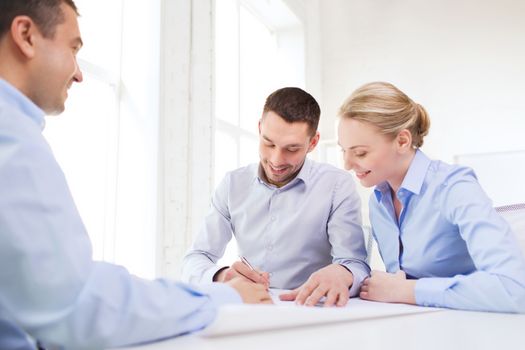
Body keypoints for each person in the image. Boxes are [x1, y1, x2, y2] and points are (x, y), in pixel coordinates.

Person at [0, 1, 271, 349]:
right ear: (25, 36)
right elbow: (77, 305)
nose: (79, 73)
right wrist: (222, 296)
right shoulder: (12, 139)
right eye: (73, 48)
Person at [337, 81, 525, 313]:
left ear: (403, 141)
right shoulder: (378, 200)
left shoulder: (454, 187)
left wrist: (406, 290)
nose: (346, 164)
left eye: (360, 153)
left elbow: (515, 289)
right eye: (343, 150)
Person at [182, 87, 370, 307]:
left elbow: (356, 265)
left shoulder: (337, 186)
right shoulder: (233, 184)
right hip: (249, 309)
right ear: (260, 128)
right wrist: (223, 276)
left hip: (311, 310)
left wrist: (342, 273)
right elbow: (195, 259)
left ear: (313, 143)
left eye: (292, 149)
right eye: (268, 143)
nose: (276, 159)